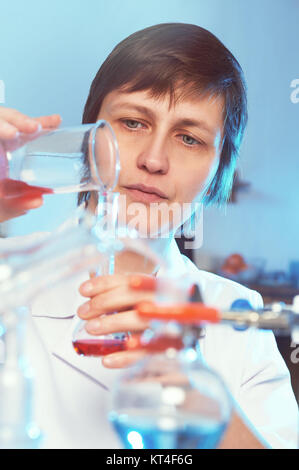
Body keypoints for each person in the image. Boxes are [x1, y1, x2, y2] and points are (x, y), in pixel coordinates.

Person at [0, 23, 298, 449]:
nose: (154, 160)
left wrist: (202, 403)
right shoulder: (7, 273)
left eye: (189, 138)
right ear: (91, 136)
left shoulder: (236, 317)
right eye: (133, 123)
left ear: (219, 171)